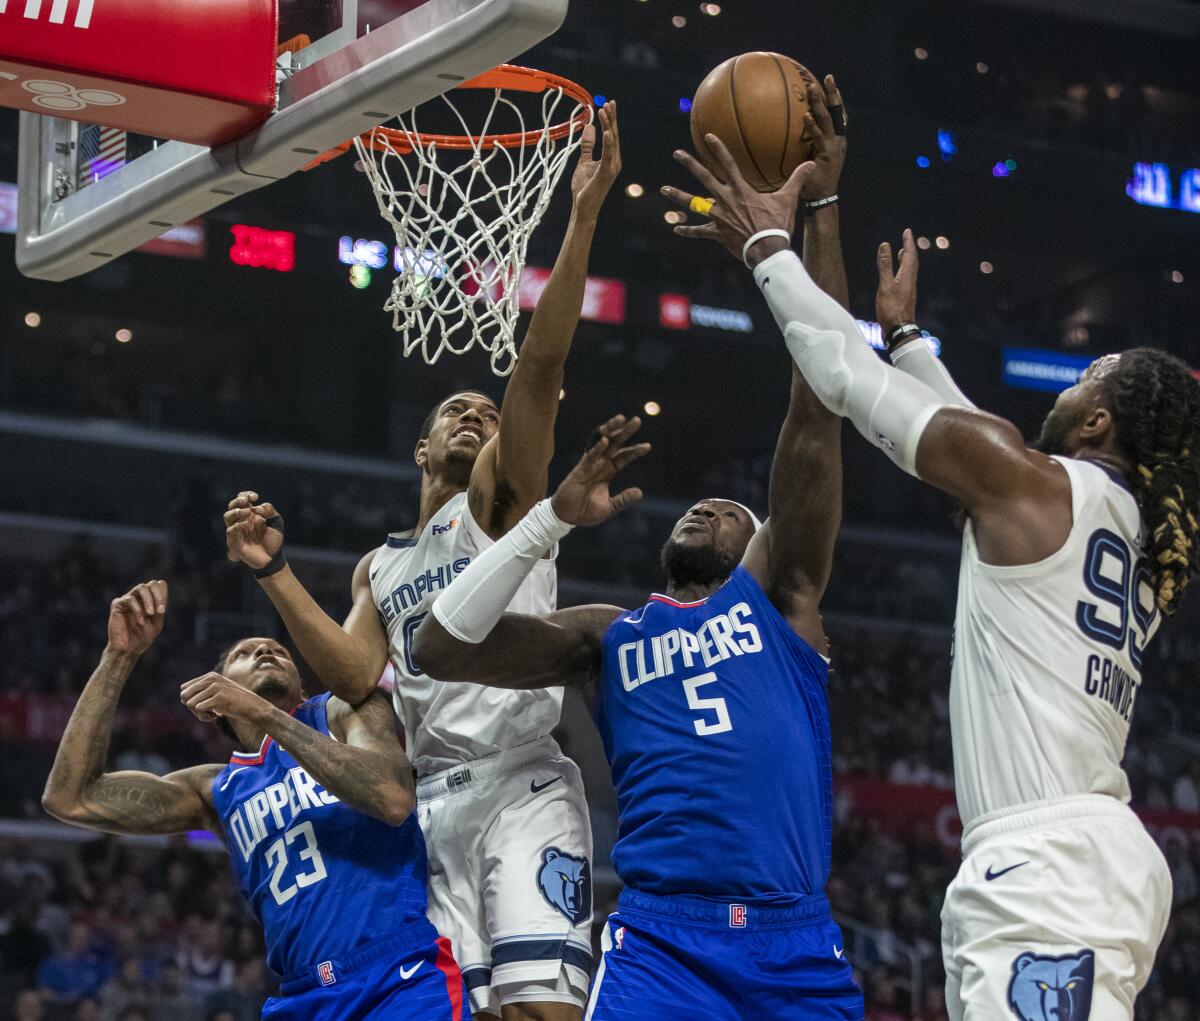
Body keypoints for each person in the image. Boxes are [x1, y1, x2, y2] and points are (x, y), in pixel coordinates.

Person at [665, 128, 1200, 1020]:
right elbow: (958, 426)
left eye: (1088, 374)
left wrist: (766, 244)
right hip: (1083, 855)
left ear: (1099, 419)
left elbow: (840, 372)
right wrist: (907, 337)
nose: (1069, 381)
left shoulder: (1033, 484)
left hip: (1049, 864)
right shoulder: (1125, 526)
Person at [412, 73, 864, 1021]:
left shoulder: (779, 603)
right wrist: (549, 521)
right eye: (695, 506)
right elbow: (439, 648)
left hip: (792, 938)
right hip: (662, 937)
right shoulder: (603, 635)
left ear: (761, 545)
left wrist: (817, 209)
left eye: (729, 512)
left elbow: (818, 402)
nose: (707, 511)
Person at [222, 104, 624, 1021]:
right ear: (419, 447)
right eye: (455, 408)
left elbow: (542, 362)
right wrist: (273, 572)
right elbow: (357, 672)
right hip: (432, 804)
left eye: (485, 411)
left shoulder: (498, 501)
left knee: (543, 1012)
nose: (477, 415)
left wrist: (585, 216)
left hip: (522, 779)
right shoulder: (380, 565)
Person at [41, 581, 469, 1020]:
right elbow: (70, 797)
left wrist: (264, 713)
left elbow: (394, 798)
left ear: (300, 688)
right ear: (217, 700)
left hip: (398, 972)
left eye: (278, 651)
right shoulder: (215, 790)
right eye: (244, 654)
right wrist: (119, 656)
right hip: (301, 994)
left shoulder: (343, 711)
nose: (265, 650)